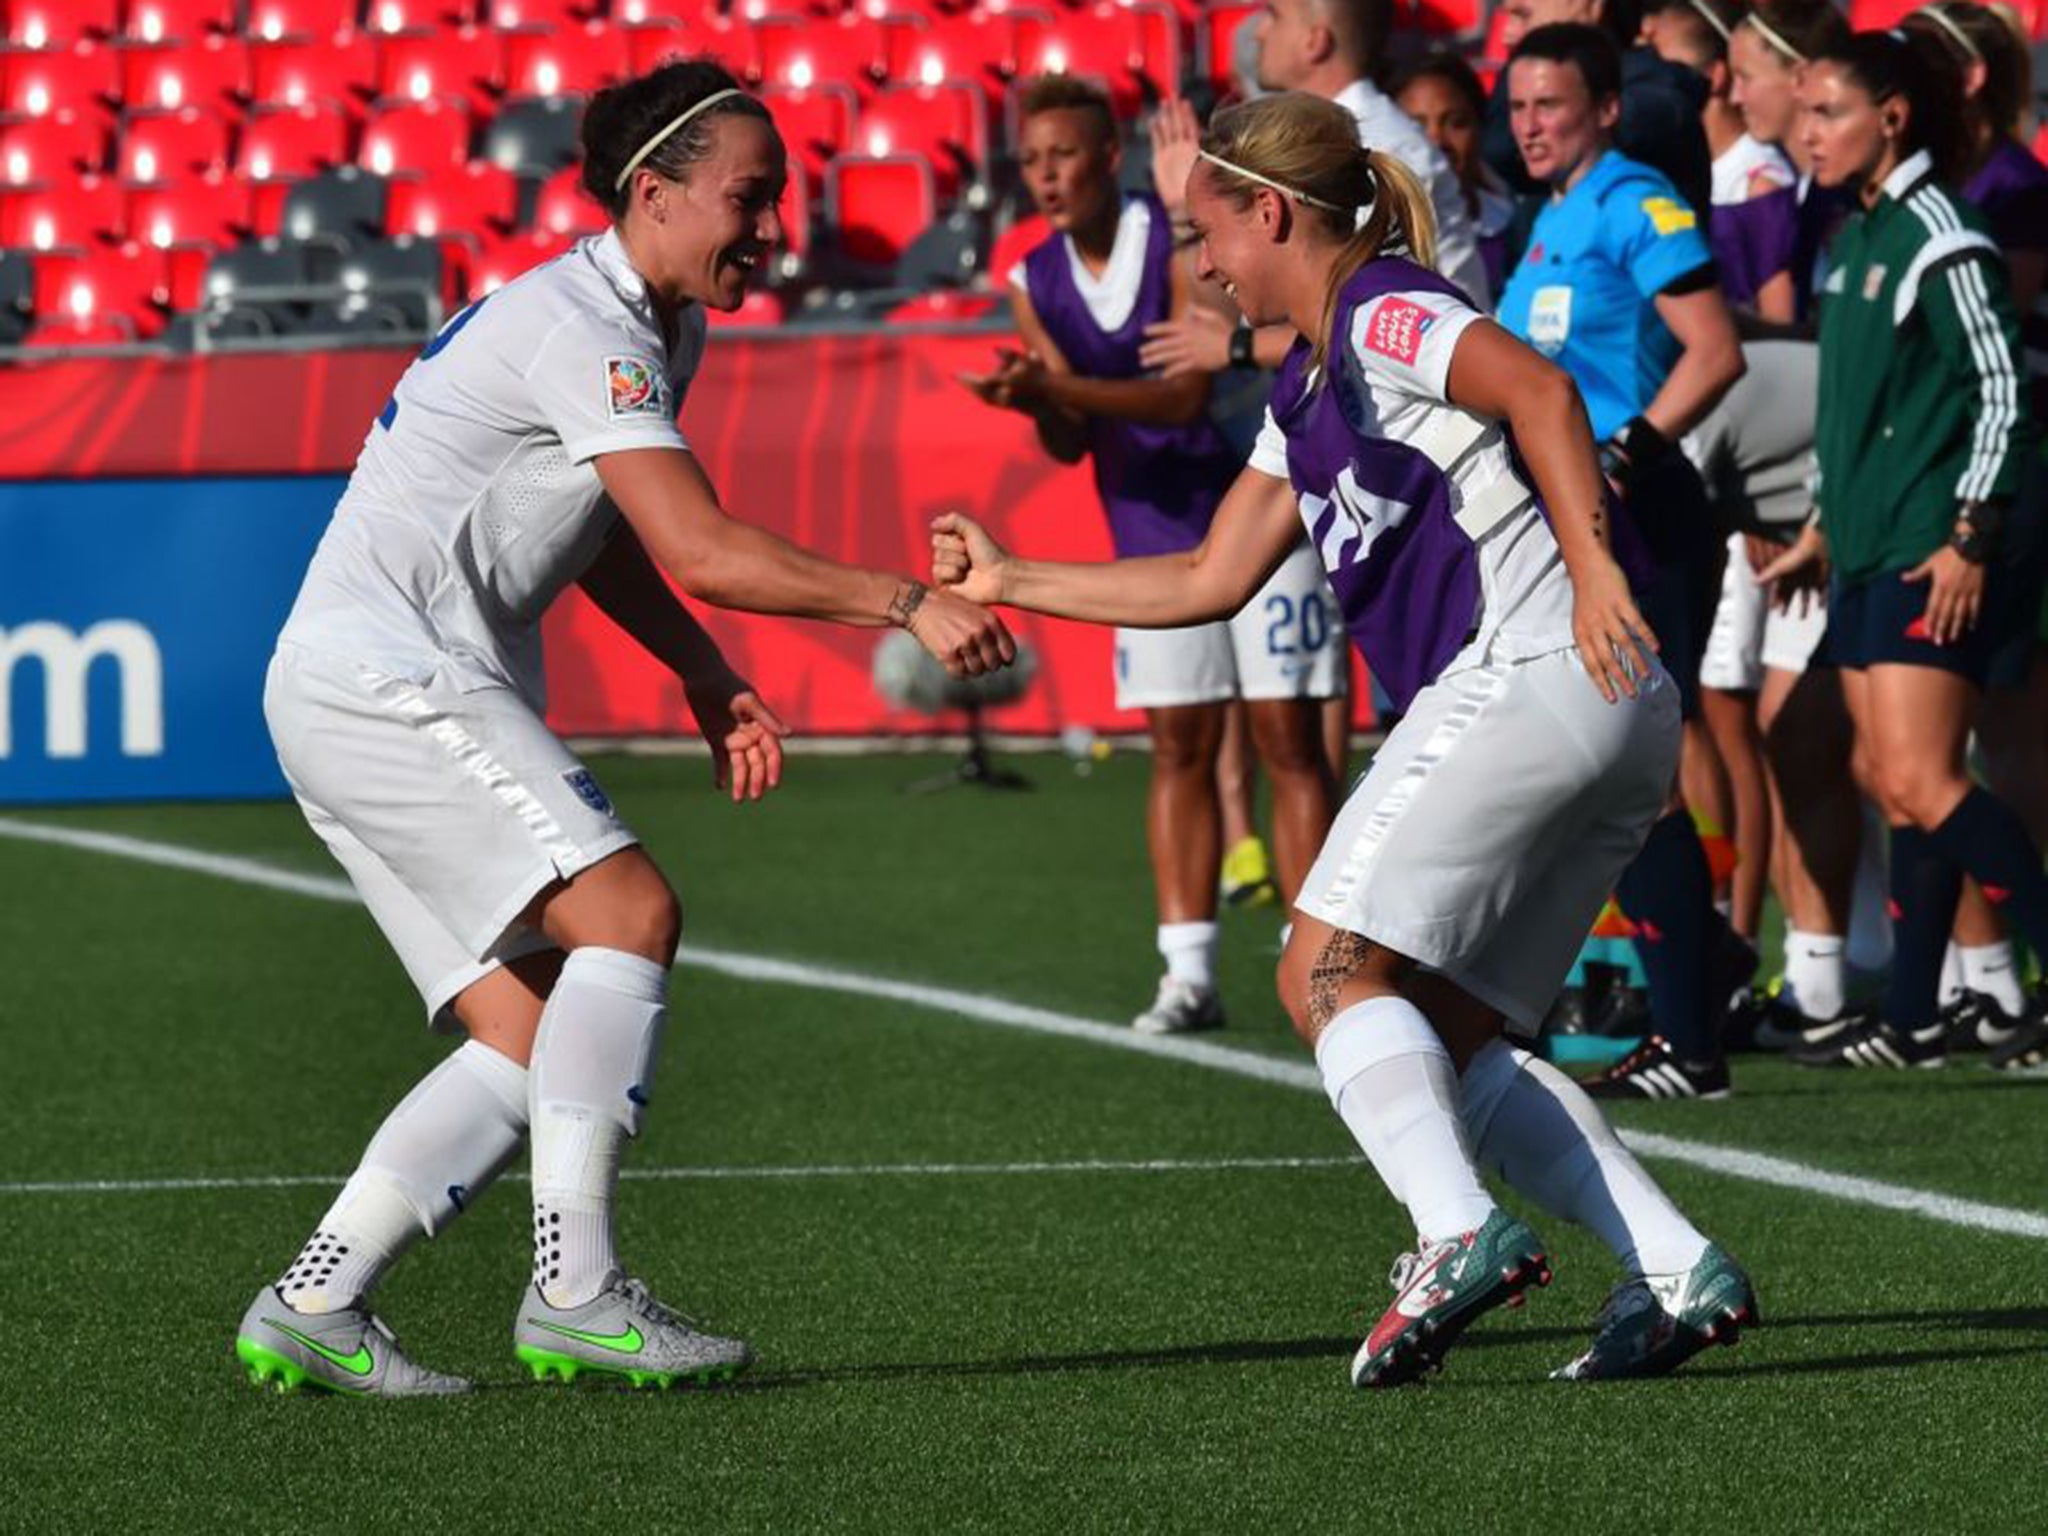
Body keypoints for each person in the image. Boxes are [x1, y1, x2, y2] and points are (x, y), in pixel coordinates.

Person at [934, 90, 1756, 1386]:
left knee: (1315, 967)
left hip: (1540, 671)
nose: (1201, 266)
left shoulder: (1385, 306)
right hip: (1600, 709)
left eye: (1211, 235)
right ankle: (1674, 1269)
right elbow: (1204, 576)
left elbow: (1540, 388)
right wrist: (1009, 580)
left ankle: (1454, 1233)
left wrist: (1595, 572)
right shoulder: (1308, 377)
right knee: (1457, 1031)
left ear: (1270, 213)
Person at [235, 61, 1016, 1398]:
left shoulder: (647, 321)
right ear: (651, 193)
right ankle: (578, 1292)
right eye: (747, 199)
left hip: (344, 684)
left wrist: (704, 676)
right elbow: (703, 545)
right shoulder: (587, 324)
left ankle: (317, 1299)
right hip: (395, 676)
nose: (772, 229)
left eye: (777, 199)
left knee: (528, 1032)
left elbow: (603, 529)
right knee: (632, 915)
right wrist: (904, 600)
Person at [964, 75, 1343, 1034]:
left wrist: (1062, 386)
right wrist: (1037, 398)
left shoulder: (1177, 237)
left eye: (1063, 156)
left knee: (1289, 740)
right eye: (1031, 161)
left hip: (1254, 505)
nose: (1045, 177)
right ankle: (1188, 971)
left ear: (1105, 158)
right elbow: (1068, 443)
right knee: (1178, 744)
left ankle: (1325, 962)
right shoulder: (1030, 280)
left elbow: (1180, 395)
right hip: (1147, 526)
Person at [1762, 29, 2046, 1070]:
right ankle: (1915, 1015)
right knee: (1890, 777)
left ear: (1888, 118)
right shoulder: (1856, 236)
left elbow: (2002, 389)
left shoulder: (1939, 229)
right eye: (1799, 115)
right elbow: (1855, 412)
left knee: (1923, 780)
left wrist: (1972, 532)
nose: (1805, 135)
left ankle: (2016, 991)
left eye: (1824, 112)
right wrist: (1819, 531)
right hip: (1871, 543)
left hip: (1936, 542)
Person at [1495, 22, 1750, 1100]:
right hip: (1573, 523)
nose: (1529, 126)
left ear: (1603, 106)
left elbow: (1714, 347)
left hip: (1637, 516)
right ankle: (1696, 977)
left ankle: (1692, 1038)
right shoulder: (1547, 218)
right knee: (1602, 774)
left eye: (1549, 105)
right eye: (1516, 108)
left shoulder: (1633, 199)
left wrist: (1620, 450)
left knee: (1633, 777)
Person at [1906, 0, 2048, 1052]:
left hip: (2001, 481)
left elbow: (1987, 346)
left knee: (2003, 733)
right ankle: (1975, 976)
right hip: (1935, 482)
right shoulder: (1933, 195)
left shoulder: (2010, 191)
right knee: (1922, 744)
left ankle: (2007, 970)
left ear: (1960, 81)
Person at [1392, 50, 1519, 295]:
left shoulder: (1516, 224)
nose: (1437, 141)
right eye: (1416, 127)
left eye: (1456, 123)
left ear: (1481, 128)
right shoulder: (1377, 239)